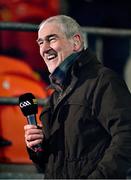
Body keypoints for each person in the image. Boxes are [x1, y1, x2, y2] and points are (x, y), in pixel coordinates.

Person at [24, 15, 131, 179]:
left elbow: (126, 136)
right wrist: (37, 147)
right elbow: (46, 165)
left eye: (51, 39)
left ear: (76, 42)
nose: (44, 48)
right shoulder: (55, 96)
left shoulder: (103, 81)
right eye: (40, 42)